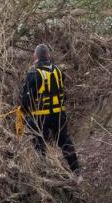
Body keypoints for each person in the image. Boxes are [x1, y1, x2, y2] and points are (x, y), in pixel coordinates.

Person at [20, 44, 79, 173]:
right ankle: (77, 171)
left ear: (35, 56)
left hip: (41, 116)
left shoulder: (33, 74)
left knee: (39, 143)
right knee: (64, 141)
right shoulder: (58, 71)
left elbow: (25, 100)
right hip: (59, 114)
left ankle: (43, 171)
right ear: (48, 56)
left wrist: (24, 112)